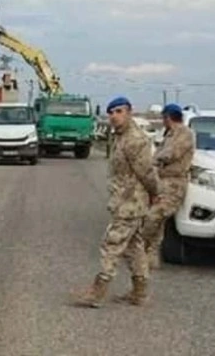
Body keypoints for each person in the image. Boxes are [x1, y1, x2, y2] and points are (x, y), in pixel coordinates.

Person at [72, 96, 161, 308]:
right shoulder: (119, 137)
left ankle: (97, 291)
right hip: (123, 200)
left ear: (129, 112)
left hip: (130, 203)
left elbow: (147, 172)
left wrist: (155, 192)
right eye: (111, 112)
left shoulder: (135, 140)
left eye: (119, 111)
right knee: (134, 246)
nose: (114, 116)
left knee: (111, 244)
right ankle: (140, 292)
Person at [143, 103, 195, 270]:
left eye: (163, 118)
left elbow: (172, 153)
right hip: (161, 180)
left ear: (168, 117)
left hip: (174, 182)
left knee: (155, 216)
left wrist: (153, 161)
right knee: (157, 221)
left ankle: (141, 247)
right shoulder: (169, 134)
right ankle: (150, 255)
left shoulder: (185, 133)